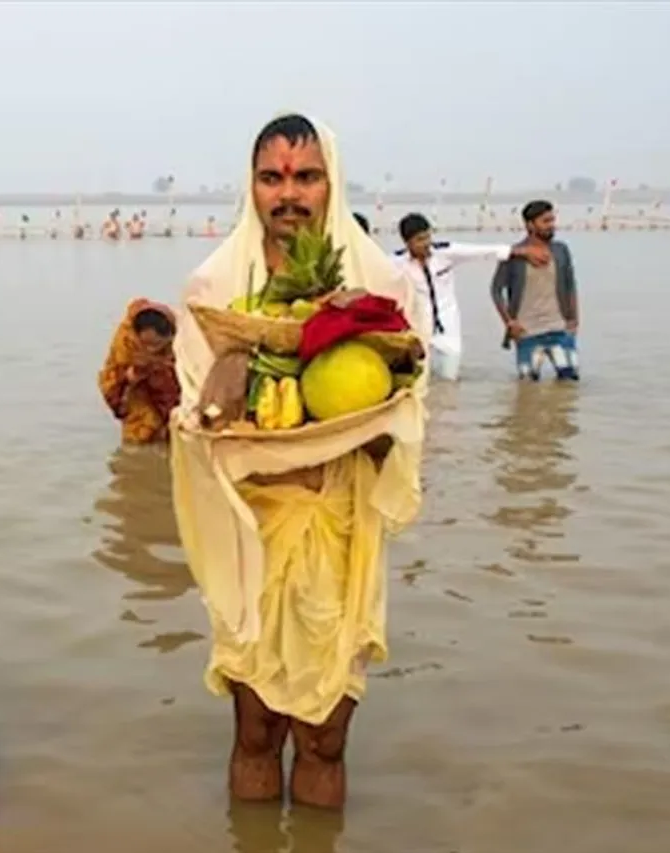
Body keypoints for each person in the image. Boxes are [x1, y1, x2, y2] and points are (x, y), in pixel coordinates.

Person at [171, 113, 427, 810]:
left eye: (306, 176)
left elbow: (401, 425)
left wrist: (363, 374)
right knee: (255, 730)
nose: (289, 193)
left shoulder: (380, 287)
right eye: (272, 177)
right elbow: (200, 428)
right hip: (252, 532)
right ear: (250, 187)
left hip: (343, 534)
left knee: (326, 739)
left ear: (330, 184)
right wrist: (234, 373)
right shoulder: (214, 290)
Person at [394, 212, 550, 381]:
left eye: (427, 237)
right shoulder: (396, 262)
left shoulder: (445, 253)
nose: (426, 244)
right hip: (418, 326)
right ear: (407, 242)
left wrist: (521, 251)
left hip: (448, 326)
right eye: (419, 240)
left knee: (449, 379)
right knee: (419, 379)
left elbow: (480, 252)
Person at [490, 200, 580, 381]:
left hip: (560, 328)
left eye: (552, 220)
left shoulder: (561, 251)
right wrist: (509, 323)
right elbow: (496, 290)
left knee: (569, 385)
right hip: (527, 331)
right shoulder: (514, 255)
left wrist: (574, 319)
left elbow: (570, 285)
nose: (551, 226)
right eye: (545, 221)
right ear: (530, 225)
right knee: (527, 386)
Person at [98, 299, 182, 443]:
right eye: (146, 344)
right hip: (136, 405)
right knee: (137, 444)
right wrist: (127, 380)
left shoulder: (181, 345)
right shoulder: (126, 343)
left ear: (170, 337)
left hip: (167, 404)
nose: (149, 350)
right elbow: (111, 385)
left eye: (156, 345)